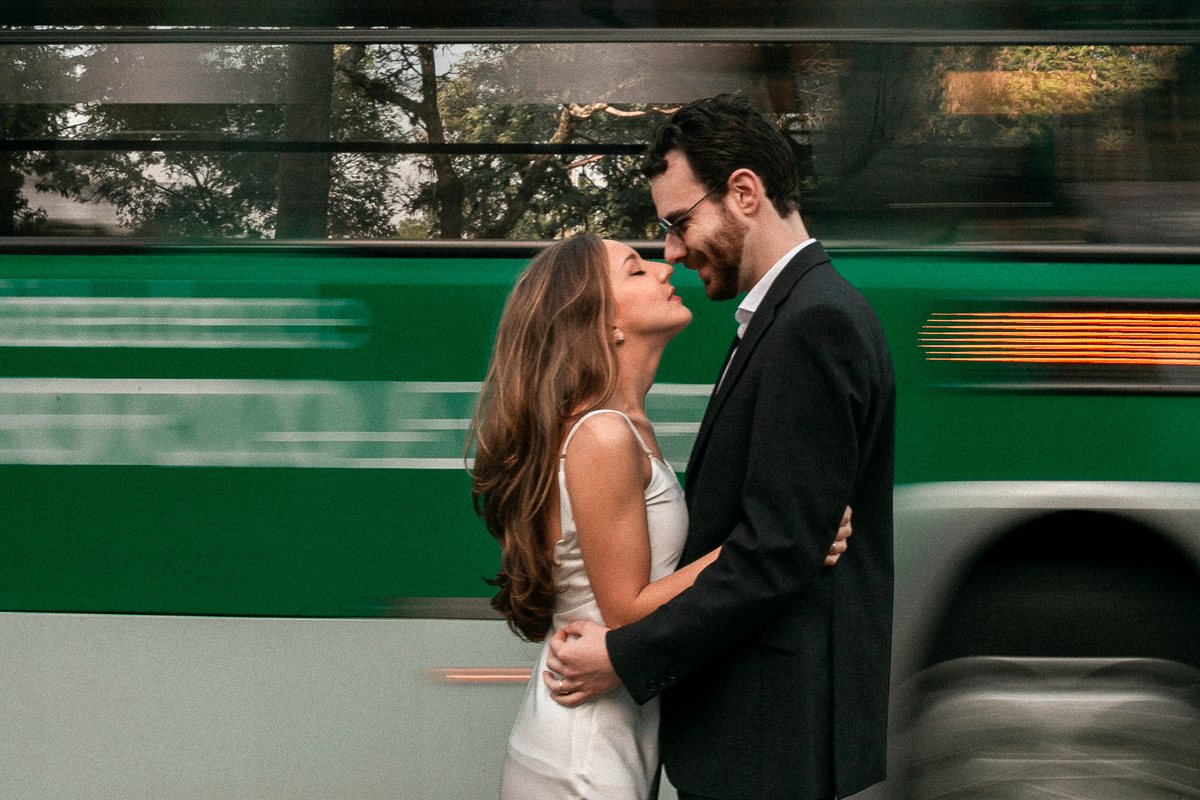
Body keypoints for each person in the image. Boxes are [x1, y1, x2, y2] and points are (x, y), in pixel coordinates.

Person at [544, 95, 896, 800]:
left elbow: (773, 553)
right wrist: (789, 538)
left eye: (679, 224)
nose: (671, 251)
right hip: (763, 733)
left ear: (744, 193)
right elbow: (780, 536)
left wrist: (623, 655)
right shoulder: (791, 313)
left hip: (771, 735)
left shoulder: (812, 321)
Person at [468, 233, 853, 800]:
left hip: (612, 738)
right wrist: (784, 535)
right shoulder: (603, 435)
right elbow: (626, 613)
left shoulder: (625, 427)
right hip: (584, 755)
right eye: (634, 269)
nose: (664, 267)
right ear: (602, 324)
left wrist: (791, 533)